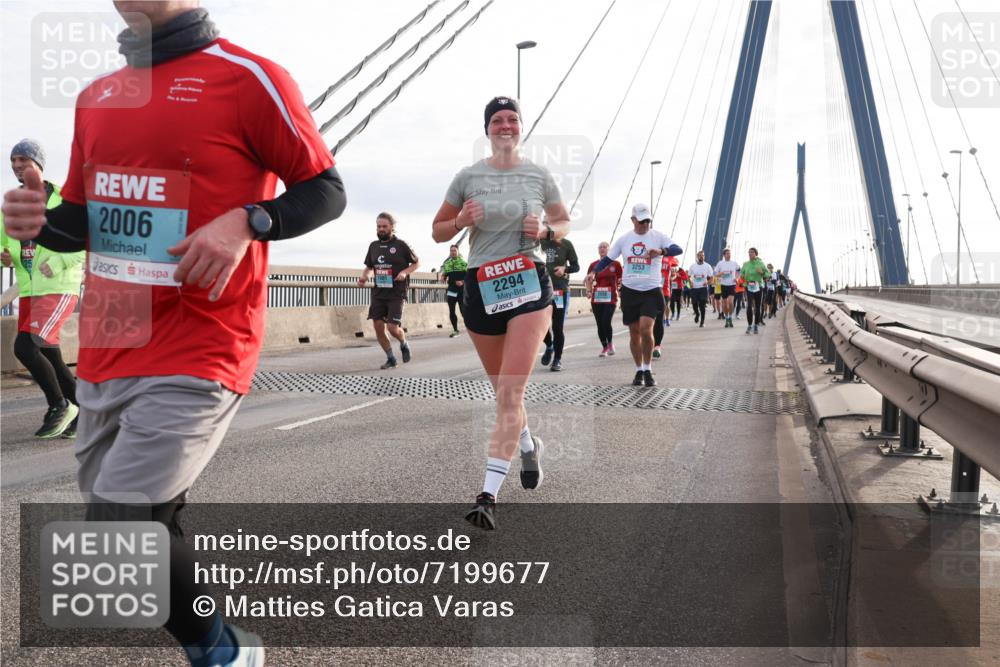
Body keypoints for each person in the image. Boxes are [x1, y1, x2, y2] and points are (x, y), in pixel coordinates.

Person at [1, 4, 347, 665]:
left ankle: (225, 652)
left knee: (117, 530)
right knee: (151, 528)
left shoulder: (251, 77)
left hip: (202, 342)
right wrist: (35, 220)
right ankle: (219, 644)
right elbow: (79, 222)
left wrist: (249, 220)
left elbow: (325, 189)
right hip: (108, 344)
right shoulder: (97, 97)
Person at [431, 96, 570, 530]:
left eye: (512, 119)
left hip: (529, 281)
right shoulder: (468, 176)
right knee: (506, 395)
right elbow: (437, 231)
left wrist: (547, 231)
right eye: (497, 120)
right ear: (488, 129)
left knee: (510, 393)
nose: (505, 125)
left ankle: (487, 495)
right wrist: (460, 222)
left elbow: (564, 222)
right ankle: (528, 447)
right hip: (482, 285)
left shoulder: (539, 174)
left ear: (521, 127)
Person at [1, 139, 84, 438]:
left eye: (23, 159)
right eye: (13, 160)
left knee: (26, 345)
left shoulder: (63, 198)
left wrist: (59, 265)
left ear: (38, 163)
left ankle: (60, 405)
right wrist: (4, 254)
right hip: (28, 289)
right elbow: (4, 241)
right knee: (51, 356)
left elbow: (84, 243)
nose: (16, 165)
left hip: (58, 286)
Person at [586, 203, 682, 387]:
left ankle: (648, 369)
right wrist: (593, 272)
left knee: (646, 329)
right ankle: (639, 370)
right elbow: (608, 259)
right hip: (630, 291)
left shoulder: (658, 236)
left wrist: (661, 251)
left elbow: (678, 249)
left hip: (651, 291)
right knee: (634, 333)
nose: (645, 224)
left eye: (648, 221)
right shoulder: (624, 239)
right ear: (633, 220)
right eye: (641, 221)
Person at [359, 212, 419, 368]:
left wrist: (405, 272)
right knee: (378, 326)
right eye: (379, 226)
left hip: (396, 293)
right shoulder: (373, 246)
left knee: (392, 328)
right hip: (379, 293)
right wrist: (364, 277)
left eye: (384, 226)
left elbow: (416, 263)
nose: (381, 229)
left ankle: (403, 342)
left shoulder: (401, 245)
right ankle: (391, 358)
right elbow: (369, 266)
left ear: (392, 227)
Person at [539, 235, 579, 371]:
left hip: (559, 290)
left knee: (557, 327)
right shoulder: (538, 243)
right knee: (540, 325)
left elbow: (576, 266)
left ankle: (557, 359)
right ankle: (549, 346)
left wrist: (565, 269)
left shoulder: (566, 244)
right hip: (539, 290)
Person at [587, 241, 621, 357]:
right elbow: (588, 279)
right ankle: (604, 347)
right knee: (599, 323)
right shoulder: (593, 265)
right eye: (600, 247)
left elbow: (621, 279)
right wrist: (588, 290)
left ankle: (610, 343)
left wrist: (621, 290)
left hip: (611, 297)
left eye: (604, 247)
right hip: (597, 298)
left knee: (606, 321)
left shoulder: (615, 264)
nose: (602, 249)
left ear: (609, 249)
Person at [440, 244, 468, 337]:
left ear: (458, 251)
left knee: (463, 310)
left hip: (462, 290)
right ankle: (455, 330)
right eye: (451, 251)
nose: (453, 252)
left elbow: (469, 276)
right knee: (451, 310)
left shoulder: (464, 263)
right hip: (451, 290)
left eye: (454, 250)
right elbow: (445, 274)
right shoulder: (447, 263)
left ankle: (470, 328)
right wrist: (443, 277)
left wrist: (462, 282)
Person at [652, 254, 677, 358]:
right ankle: (648, 342)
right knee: (647, 319)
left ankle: (657, 346)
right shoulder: (650, 254)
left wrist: (673, 274)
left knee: (659, 317)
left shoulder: (671, 258)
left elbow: (674, 273)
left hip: (664, 291)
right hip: (649, 290)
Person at [741, 247, 770, 334]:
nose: (750, 254)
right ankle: (749, 325)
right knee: (749, 306)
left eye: (752, 252)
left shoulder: (760, 263)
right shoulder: (745, 264)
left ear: (756, 254)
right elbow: (742, 275)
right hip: (749, 286)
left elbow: (768, 274)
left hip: (759, 286)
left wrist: (762, 273)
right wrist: (743, 279)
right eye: (749, 253)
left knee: (758, 307)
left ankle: (756, 325)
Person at [713, 247, 741, 328]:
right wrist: (719, 274)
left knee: (730, 302)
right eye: (727, 254)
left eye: (730, 254)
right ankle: (726, 318)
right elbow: (714, 273)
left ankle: (730, 316)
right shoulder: (720, 264)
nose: (729, 255)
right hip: (723, 285)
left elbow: (739, 270)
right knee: (724, 304)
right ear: (724, 255)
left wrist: (737, 278)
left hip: (732, 285)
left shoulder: (734, 263)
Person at [688, 250, 713, 327]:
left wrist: (707, 283)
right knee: (694, 304)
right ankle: (697, 314)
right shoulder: (692, 266)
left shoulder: (708, 266)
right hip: (694, 288)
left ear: (704, 257)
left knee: (702, 305)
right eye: (699, 255)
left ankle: (702, 321)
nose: (701, 257)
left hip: (703, 288)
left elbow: (711, 278)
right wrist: (690, 283)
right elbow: (688, 277)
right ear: (697, 257)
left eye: (702, 255)